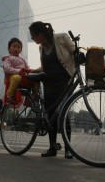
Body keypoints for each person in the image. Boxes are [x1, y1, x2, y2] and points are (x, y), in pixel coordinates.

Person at [29, 21, 75, 159]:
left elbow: (74, 51)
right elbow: (45, 67)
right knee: (51, 116)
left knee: (63, 113)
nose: (33, 39)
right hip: (49, 83)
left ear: (40, 34)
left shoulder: (62, 38)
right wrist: (34, 70)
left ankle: (68, 149)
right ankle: (52, 148)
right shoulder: (41, 48)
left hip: (65, 82)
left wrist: (80, 55)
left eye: (33, 36)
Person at [2, 37, 38, 104]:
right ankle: (9, 96)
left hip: (23, 77)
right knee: (17, 77)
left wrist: (33, 71)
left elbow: (27, 68)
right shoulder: (8, 58)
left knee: (36, 79)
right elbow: (7, 68)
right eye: (14, 46)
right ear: (9, 48)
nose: (16, 48)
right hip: (12, 77)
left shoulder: (23, 60)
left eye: (18, 47)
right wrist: (19, 71)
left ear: (21, 50)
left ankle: (34, 96)